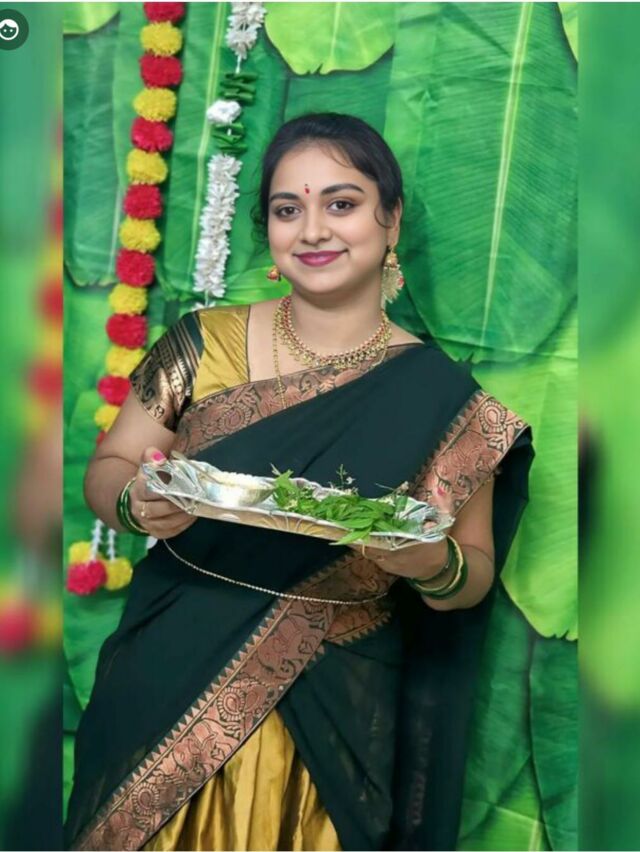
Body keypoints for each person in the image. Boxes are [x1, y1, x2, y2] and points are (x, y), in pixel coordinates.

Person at [65, 113, 534, 851]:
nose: (313, 229)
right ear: (270, 231)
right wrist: (137, 500)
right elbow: (109, 470)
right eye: (289, 209)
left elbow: (469, 575)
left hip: (331, 707)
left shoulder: (445, 401)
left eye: (341, 203)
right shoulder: (203, 343)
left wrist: (429, 562)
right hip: (166, 668)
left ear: (390, 219)